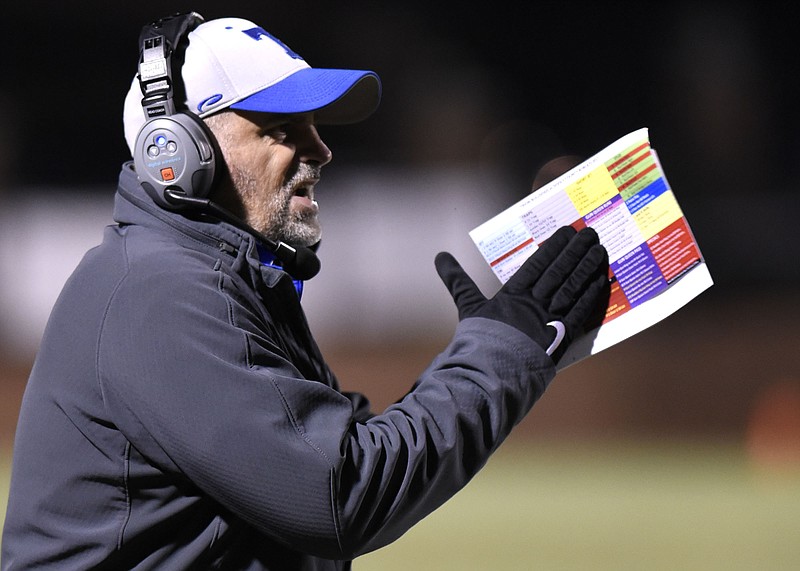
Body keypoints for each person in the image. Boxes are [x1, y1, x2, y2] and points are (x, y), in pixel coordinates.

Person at [1, 12, 610, 570]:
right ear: (178, 154)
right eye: (281, 128)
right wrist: (501, 350)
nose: (320, 149)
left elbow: (350, 455)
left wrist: (496, 348)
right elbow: (340, 495)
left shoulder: (219, 280)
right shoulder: (159, 292)